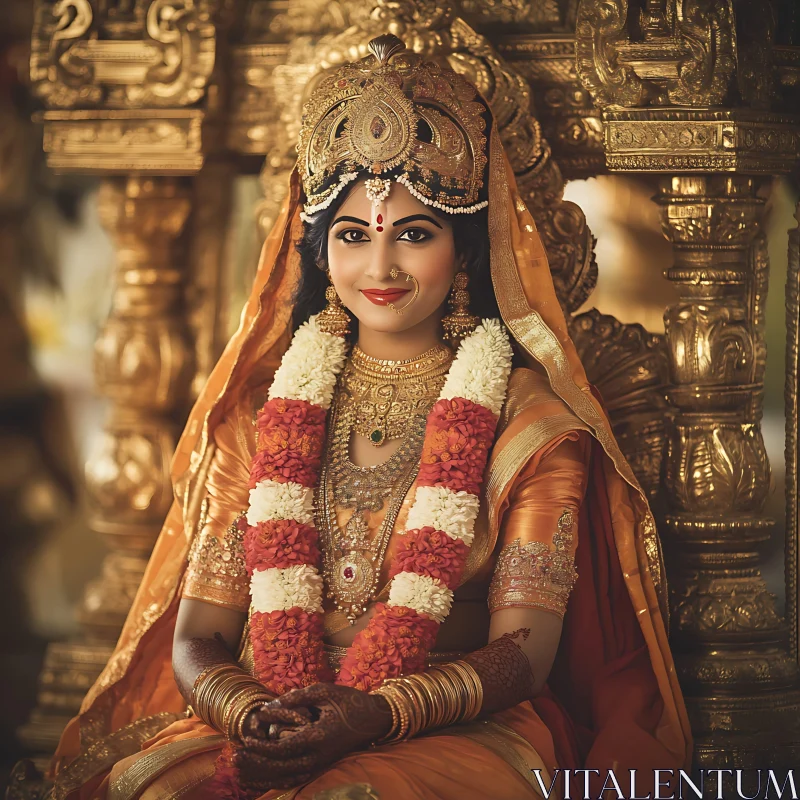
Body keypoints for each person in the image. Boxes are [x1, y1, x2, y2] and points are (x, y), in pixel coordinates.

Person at [46, 33, 691, 800]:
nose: (380, 268)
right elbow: (201, 637)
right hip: (266, 718)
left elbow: (525, 653)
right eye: (354, 235)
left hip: (453, 728)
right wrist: (257, 713)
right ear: (320, 254)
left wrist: (372, 716)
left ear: (465, 249)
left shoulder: (529, 425)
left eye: (414, 234)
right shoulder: (256, 417)